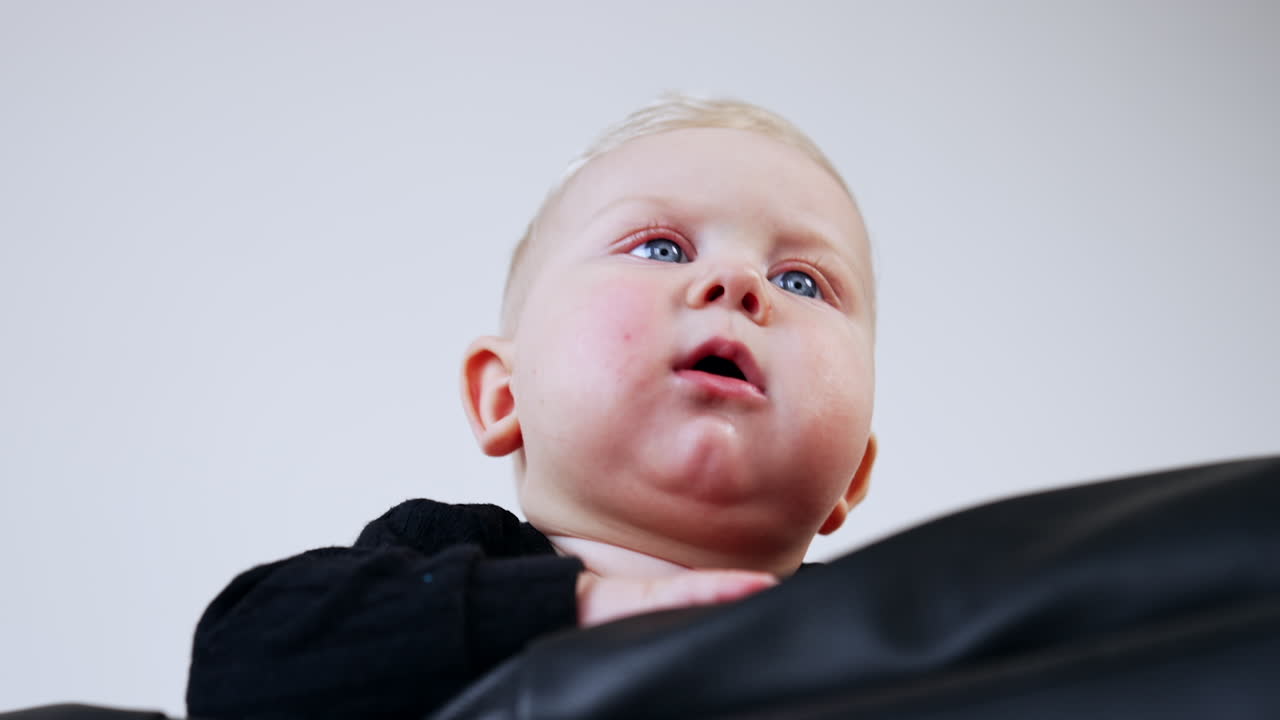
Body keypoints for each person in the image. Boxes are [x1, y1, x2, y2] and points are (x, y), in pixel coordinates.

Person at [185, 93, 879, 718]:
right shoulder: (445, 559)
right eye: (662, 247)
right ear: (502, 396)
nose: (736, 282)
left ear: (853, 476)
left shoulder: (880, 632)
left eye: (803, 282)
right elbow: (239, 663)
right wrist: (576, 610)